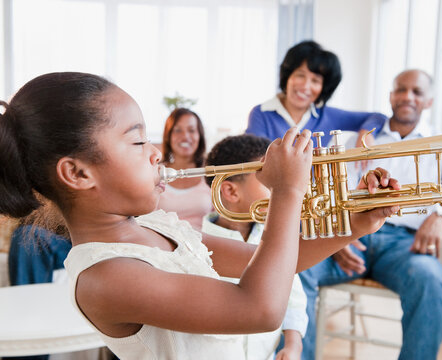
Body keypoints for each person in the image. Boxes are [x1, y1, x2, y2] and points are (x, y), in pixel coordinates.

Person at [0, 72, 398, 360]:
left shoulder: (155, 225)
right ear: (77, 174)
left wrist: (359, 223)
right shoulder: (106, 277)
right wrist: (287, 191)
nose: (157, 152)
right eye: (138, 141)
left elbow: (272, 263)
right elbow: (259, 309)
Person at [299, 69, 442, 360]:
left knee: (430, 278)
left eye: (417, 92)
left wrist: (441, 216)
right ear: (391, 96)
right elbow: (318, 193)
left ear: (429, 101)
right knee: (294, 266)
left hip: (404, 246)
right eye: (401, 89)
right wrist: (335, 234)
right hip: (347, 238)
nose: (407, 96)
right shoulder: (355, 139)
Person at [202, 134, 308, 360]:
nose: (280, 185)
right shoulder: (197, 249)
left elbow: (294, 299)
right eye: (269, 181)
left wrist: (293, 345)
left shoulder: (277, 239)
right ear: (230, 192)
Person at [245, 40, 386, 147]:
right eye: (300, 75)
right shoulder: (261, 114)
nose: (305, 86)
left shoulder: (328, 116)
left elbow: (378, 117)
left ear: (323, 88)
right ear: (287, 76)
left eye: (315, 81)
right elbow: (255, 159)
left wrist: (365, 133)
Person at [155, 107, 212, 230]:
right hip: (161, 245)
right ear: (168, 136)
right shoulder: (156, 172)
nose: (185, 136)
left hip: (203, 245)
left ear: (199, 136)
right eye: (178, 130)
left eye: (191, 130)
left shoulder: (210, 173)